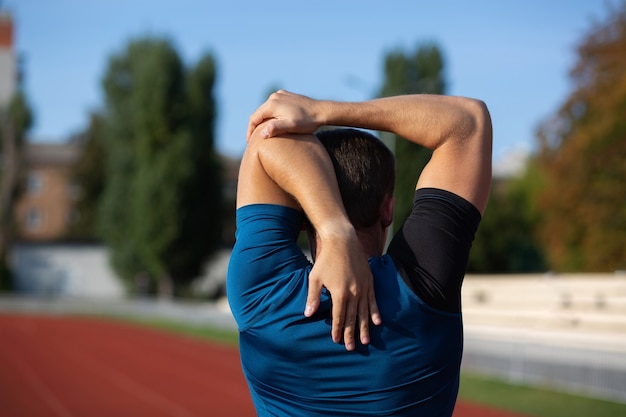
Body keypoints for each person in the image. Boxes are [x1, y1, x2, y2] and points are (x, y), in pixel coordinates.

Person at [227, 90, 492, 416]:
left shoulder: (262, 293)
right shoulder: (426, 285)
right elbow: (468, 121)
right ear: (388, 210)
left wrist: (332, 228)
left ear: (298, 215)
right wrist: (320, 110)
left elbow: (266, 141)